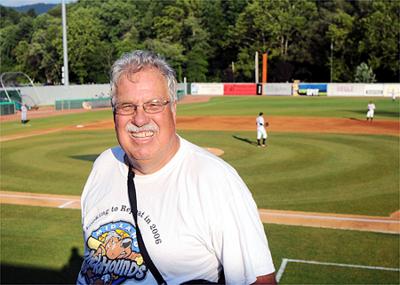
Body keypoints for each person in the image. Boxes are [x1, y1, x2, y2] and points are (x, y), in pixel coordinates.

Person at [77, 50, 276, 285]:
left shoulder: (216, 181)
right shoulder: (104, 165)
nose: (139, 119)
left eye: (153, 105)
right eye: (127, 106)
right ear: (114, 113)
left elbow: (259, 281)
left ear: (173, 109)